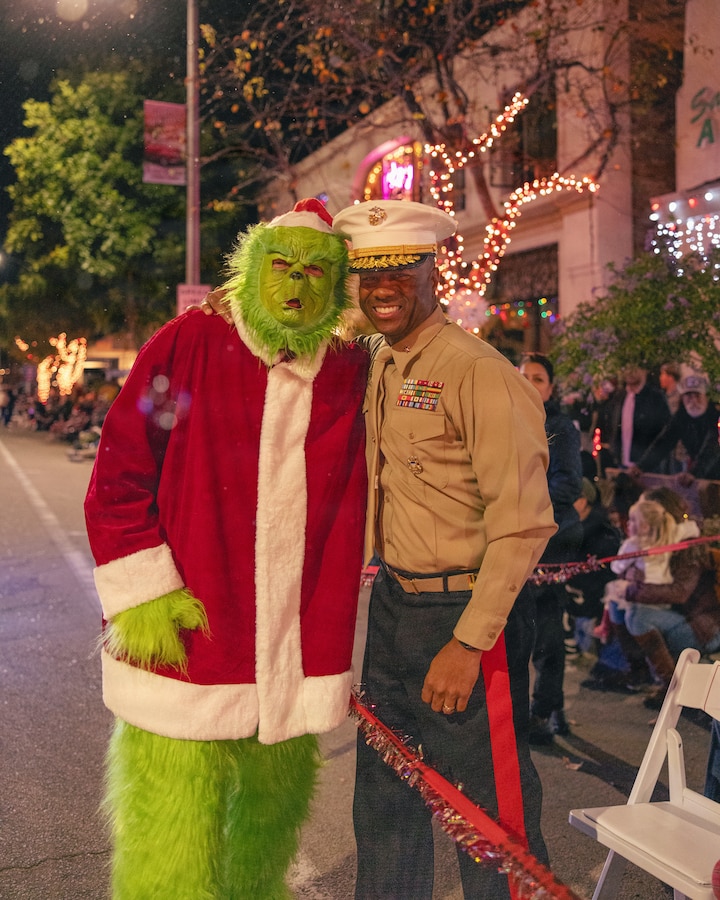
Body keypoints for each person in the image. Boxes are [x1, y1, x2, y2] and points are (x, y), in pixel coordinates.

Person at [84, 199, 369, 899]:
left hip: (292, 655)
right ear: (252, 268)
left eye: (313, 274)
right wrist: (146, 595)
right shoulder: (190, 343)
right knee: (173, 832)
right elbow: (120, 471)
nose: (297, 287)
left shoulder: (347, 370)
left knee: (264, 833)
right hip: (188, 638)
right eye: (281, 268)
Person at [332, 199, 557, 900]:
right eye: (369, 276)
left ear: (433, 269)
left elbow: (522, 523)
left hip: (464, 615)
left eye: (400, 270)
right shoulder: (381, 362)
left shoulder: (478, 371)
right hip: (396, 607)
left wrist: (467, 643)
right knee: (385, 804)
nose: (383, 288)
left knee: (487, 816)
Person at [519, 353, 583, 743]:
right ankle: (548, 707)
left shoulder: (560, 428)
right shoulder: (504, 419)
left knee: (544, 633)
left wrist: (522, 505)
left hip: (550, 541)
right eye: (522, 376)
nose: (528, 383)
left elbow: (567, 486)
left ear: (551, 388)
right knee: (520, 632)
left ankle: (543, 711)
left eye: (537, 379)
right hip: (515, 539)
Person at [608, 487, 720, 708]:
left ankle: (673, 689)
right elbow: (629, 574)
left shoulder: (688, 544)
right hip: (675, 617)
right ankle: (639, 674)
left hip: (700, 627)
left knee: (637, 614)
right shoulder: (658, 541)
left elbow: (680, 593)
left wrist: (630, 589)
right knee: (616, 604)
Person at [637, 373, 720, 479]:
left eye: (698, 395)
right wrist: (641, 467)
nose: (694, 401)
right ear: (682, 398)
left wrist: (694, 474)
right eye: (689, 395)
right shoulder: (682, 416)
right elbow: (664, 442)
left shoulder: (716, 416)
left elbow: (712, 448)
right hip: (702, 475)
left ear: (706, 397)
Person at [613, 365, 670, 470]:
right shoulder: (620, 396)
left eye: (635, 367)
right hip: (622, 463)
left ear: (644, 370)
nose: (630, 372)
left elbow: (665, 433)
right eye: (627, 367)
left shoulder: (655, 398)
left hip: (647, 466)